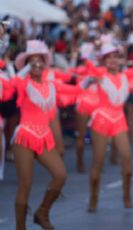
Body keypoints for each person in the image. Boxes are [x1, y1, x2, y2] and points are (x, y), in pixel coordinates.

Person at [11, 40, 86, 230]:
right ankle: (20, 227)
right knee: (25, 185)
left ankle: (42, 212)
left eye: (40, 61)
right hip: (25, 136)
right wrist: (26, 68)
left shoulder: (51, 85)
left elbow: (75, 89)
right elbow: (14, 83)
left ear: (45, 63)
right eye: (32, 61)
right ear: (27, 64)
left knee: (60, 175)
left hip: (44, 136)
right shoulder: (24, 84)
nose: (37, 64)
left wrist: (89, 79)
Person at [86, 40, 133, 213]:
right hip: (102, 119)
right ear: (103, 60)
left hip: (119, 119)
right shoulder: (100, 74)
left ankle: (126, 195)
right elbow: (90, 66)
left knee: (127, 159)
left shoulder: (125, 76)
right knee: (98, 162)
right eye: (108, 57)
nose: (112, 60)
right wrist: (94, 52)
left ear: (121, 60)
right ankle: (93, 197)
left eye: (116, 57)